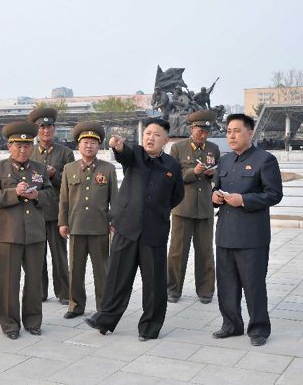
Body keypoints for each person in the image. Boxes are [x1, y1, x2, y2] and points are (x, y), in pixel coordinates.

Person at [84, 118, 184, 341]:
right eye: (148, 133)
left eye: (156, 135)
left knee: (154, 284)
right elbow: (124, 153)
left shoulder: (172, 166)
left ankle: (150, 327)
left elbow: (177, 196)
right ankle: (105, 319)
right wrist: (117, 145)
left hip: (154, 232)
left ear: (165, 140)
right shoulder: (136, 154)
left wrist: (158, 210)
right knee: (117, 277)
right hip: (126, 227)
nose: (150, 137)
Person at [211, 113, 283, 347]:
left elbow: (274, 195)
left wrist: (243, 200)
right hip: (225, 234)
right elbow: (218, 189)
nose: (231, 135)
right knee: (226, 284)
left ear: (250, 133)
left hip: (252, 237)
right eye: (228, 131)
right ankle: (231, 325)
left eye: (236, 131)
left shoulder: (265, 160)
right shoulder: (225, 160)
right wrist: (215, 197)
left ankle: (259, 328)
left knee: (254, 285)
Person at [0, 121, 54, 339]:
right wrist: (14, 193)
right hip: (8, 234)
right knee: (8, 281)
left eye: (26, 146)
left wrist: (37, 196)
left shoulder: (40, 169)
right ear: (9, 146)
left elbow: (51, 196)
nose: (22, 150)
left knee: (34, 280)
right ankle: (9, 324)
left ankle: (33, 321)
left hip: (35, 234)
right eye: (18, 146)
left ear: (32, 147)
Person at [58, 122, 118, 319]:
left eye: (93, 142)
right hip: (75, 226)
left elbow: (114, 199)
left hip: (99, 227)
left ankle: (103, 306)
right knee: (75, 269)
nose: (88, 146)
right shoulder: (69, 168)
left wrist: (114, 222)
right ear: (78, 145)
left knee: (102, 271)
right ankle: (75, 306)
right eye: (85, 142)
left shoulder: (108, 169)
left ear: (99, 146)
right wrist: (62, 222)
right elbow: (64, 199)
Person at [167, 110, 220, 304]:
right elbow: (172, 177)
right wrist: (192, 172)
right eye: (200, 131)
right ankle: (173, 289)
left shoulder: (213, 149)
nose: (204, 135)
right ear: (192, 129)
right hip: (183, 208)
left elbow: (219, 176)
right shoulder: (178, 148)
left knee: (205, 251)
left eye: (207, 132)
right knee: (177, 251)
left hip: (205, 208)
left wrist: (214, 173)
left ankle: (206, 291)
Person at [29, 107, 74, 305]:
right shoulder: (29, 153)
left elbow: (72, 180)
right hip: (36, 211)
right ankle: (39, 292)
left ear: (54, 130)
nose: (46, 131)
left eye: (49, 127)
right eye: (42, 128)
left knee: (59, 255)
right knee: (37, 255)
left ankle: (64, 292)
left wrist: (55, 174)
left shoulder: (65, 153)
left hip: (56, 211)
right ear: (36, 131)